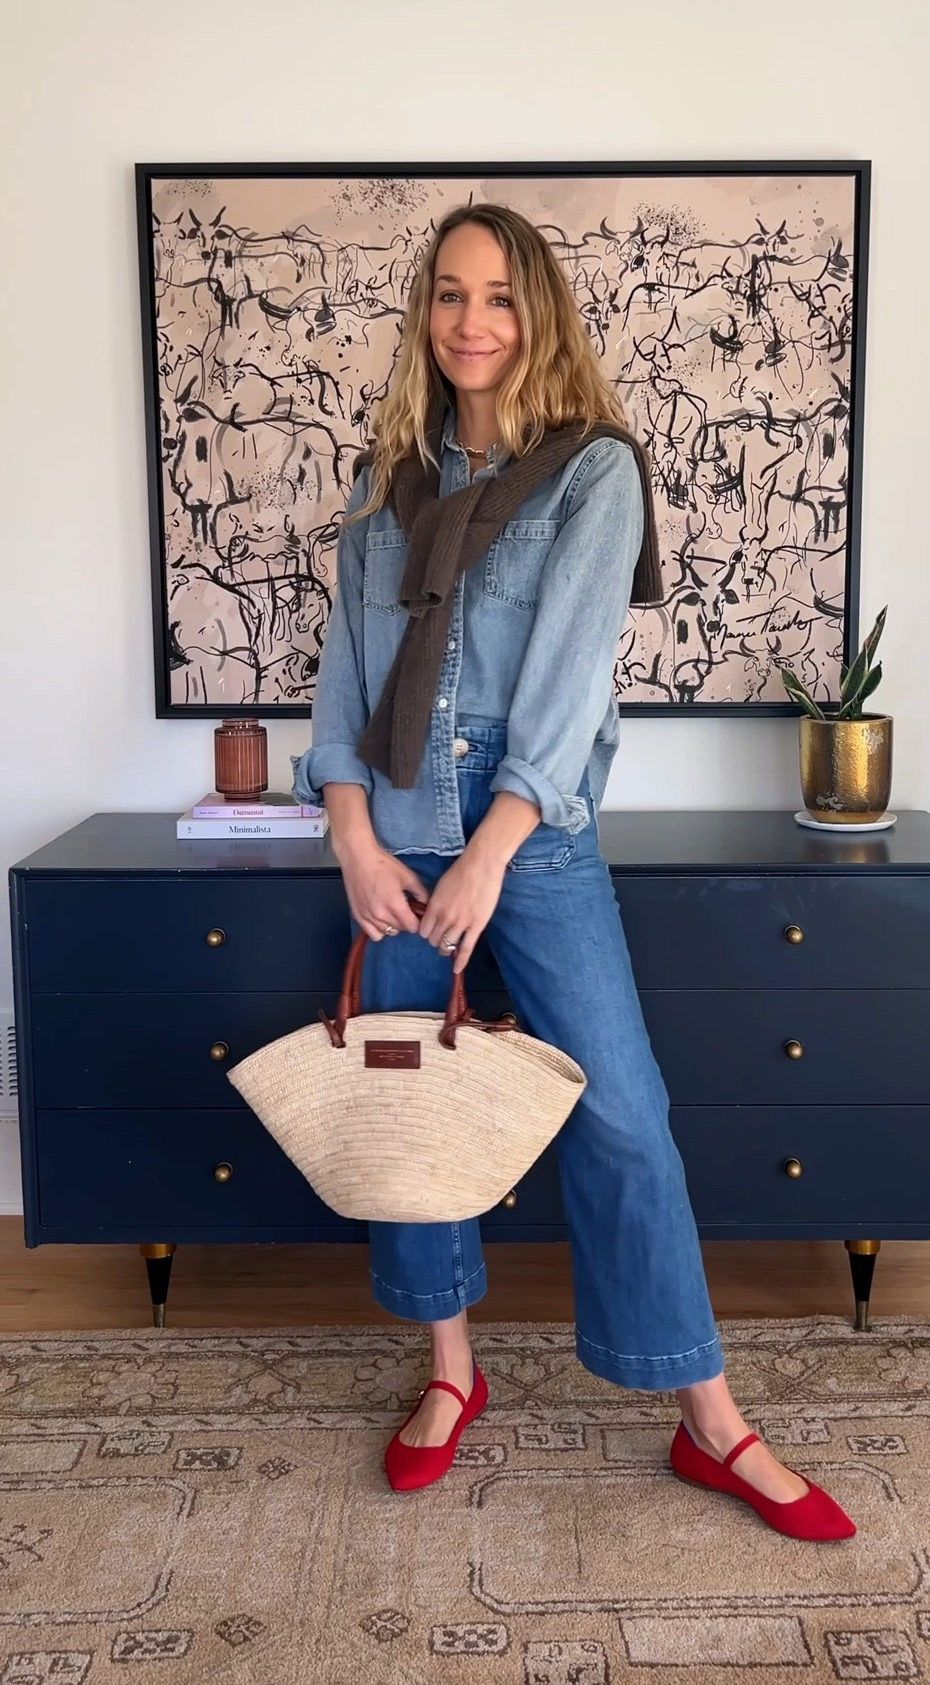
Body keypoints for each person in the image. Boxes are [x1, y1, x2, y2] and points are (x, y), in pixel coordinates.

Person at [293, 203, 855, 1541]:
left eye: (496, 295)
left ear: (535, 313)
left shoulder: (594, 473)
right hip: (395, 840)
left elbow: (561, 698)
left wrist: (488, 852)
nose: (470, 320)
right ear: (425, 315)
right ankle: (450, 1376)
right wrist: (355, 837)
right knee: (409, 1111)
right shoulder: (387, 485)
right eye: (448, 295)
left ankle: (708, 1419)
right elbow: (340, 684)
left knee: (622, 1117)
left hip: (527, 844)